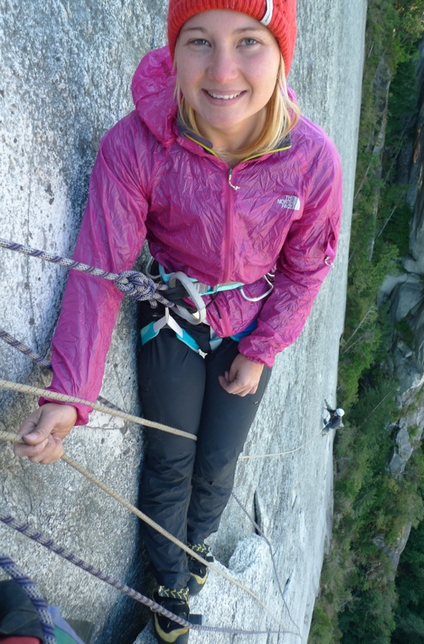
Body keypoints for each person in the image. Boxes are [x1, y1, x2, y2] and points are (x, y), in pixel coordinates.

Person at [14, 1, 342, 642]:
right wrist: (69, 394)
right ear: (173, 51)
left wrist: (264, 348)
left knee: (218, 463)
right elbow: (99, 268)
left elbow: (307, 269)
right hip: (174, 311)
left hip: (250, 325)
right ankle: (170, 584)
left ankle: (194, 552)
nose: (223, 70)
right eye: (199, 41)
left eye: (249, 41)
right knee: (170, 457)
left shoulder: (310, 160)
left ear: (281, 54)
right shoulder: (137, 145)